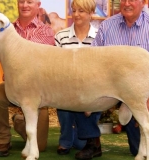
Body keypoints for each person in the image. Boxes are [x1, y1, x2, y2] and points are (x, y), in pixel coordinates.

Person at [91, 0, 149, 156]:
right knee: (83, 99)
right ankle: (91, 143)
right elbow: (93, 61)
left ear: (142, 2)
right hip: (108, 89)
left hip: (140, 93)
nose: (126, 3)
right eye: (123, 0)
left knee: (138, 147)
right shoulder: (106, 27)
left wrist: (148, 105)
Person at [0, 0, 55, 157]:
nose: (24, 5)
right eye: (21, 1)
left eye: (29, 2)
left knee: (41, 146)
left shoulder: (46, 31)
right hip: (12, 86)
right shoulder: (3, 27)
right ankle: (3, 140)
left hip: (37, 91)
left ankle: (19, 120)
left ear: (38, 5)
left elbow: (29, 58)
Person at [55, 0, 102, 159]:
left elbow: (102, 70)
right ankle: (66, 139)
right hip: (66, 87)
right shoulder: (60, 36)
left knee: (81, 143)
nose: (76, 14)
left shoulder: (100, 36)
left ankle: (84, 139)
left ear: (90, 13)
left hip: (92, 88)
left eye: (81, 11)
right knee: (65, 98)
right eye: (74, 10)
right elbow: (56, 69)